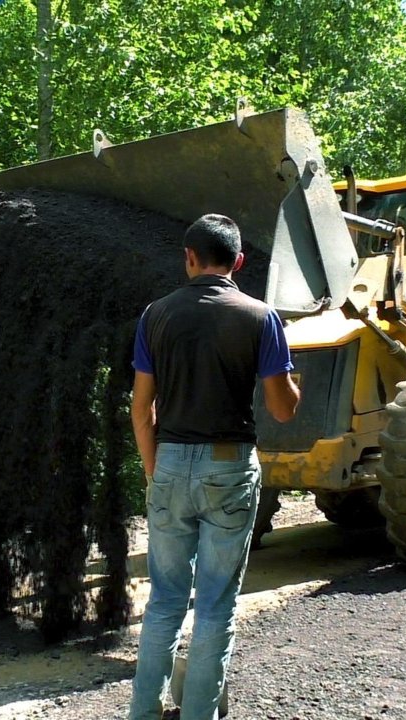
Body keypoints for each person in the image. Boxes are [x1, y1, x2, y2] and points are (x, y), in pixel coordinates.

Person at [129, 214, 300, 720]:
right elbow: (283, 408)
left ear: (189, 258)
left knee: (164, 601)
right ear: (239, 262)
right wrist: (296, 383)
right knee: (214, 606)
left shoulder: (154, 316)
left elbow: (141, 409)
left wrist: (153, 468)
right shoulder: (260, 316)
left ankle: (142, 713)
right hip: (229, 468)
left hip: (170, 462)